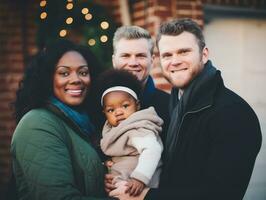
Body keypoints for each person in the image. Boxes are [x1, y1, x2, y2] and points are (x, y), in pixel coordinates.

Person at [107, 18, 262, 200]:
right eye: (168, 55)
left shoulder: (233, 114)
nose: (175, 61)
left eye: (184, 52)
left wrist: (146, 196)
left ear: (204, 54)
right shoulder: (177, 103)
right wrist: (121, 172)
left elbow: (222, 193)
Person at [10, 39, 112, 200]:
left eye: (83, 72)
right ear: (47, 78)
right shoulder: (37, 124)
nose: (76, 79)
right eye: (64, 73)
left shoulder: (86, 122)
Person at [97, 69, 163, 196]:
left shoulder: (137, 128)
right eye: (111, 110)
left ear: (137, 106)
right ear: (104, 113)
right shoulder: (113, 130)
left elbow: (152, 149)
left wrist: (140, 178)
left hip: (138, 186)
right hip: (123, 184)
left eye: (125, 106)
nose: (118, 112)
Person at [111, 25, 170, 143]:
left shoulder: (170, 106)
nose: (133, 63)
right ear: (114, 61)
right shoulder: (100, 105)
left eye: (140, 56)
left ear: (152, 60)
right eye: (125, 56)